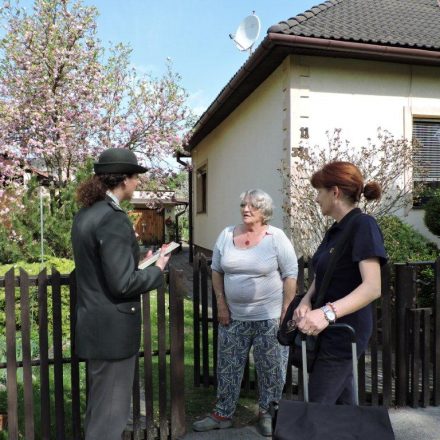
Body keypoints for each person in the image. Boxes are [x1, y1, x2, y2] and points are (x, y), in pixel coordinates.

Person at [71, 148, 170, 440]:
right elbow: (122, 284)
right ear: (124, 179)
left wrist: (138, 263)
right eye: (136, 177)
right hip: (112, 334)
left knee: (100, 412)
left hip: (95, 327)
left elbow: (103, 269)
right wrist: (157, 270)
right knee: (109, 420)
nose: (138, 183)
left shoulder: (87, 213)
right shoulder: (112, 218)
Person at [193, 189, 298, 437]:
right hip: (233, 317)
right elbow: (216, 270)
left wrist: (286, 311)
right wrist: (221, 304)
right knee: (228, 367)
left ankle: (268, 413)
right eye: (243, 205)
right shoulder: (227, 234)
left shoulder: (276, 237)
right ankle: (222, 414)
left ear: (264, 211)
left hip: (269, 318)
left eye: (252, 206)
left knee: (271, 369)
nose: (246, 209)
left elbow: (290, 274)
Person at [294, 161, 387, 404]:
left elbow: (372, 287)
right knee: (342, 409)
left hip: (345, 333)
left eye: (319, 192)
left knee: (315, 406)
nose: (316, 199)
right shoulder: (335, 231)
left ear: (335, 192)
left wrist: (326, 313)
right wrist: (306, 300)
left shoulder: (363, 225)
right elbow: (323, 275)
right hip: (327, 330)